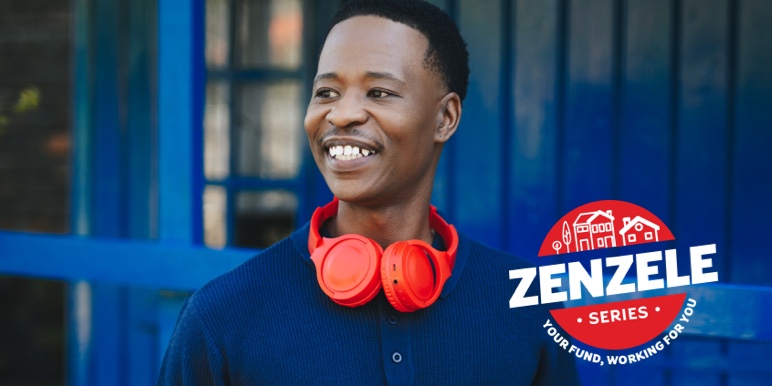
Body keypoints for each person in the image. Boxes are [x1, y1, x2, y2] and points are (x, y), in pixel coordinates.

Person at [158, 0, 580, 384]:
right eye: (326, 92)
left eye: (378, 92)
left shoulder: (526, 308)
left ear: (445, 118)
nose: (342, 114)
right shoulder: (220, 318)